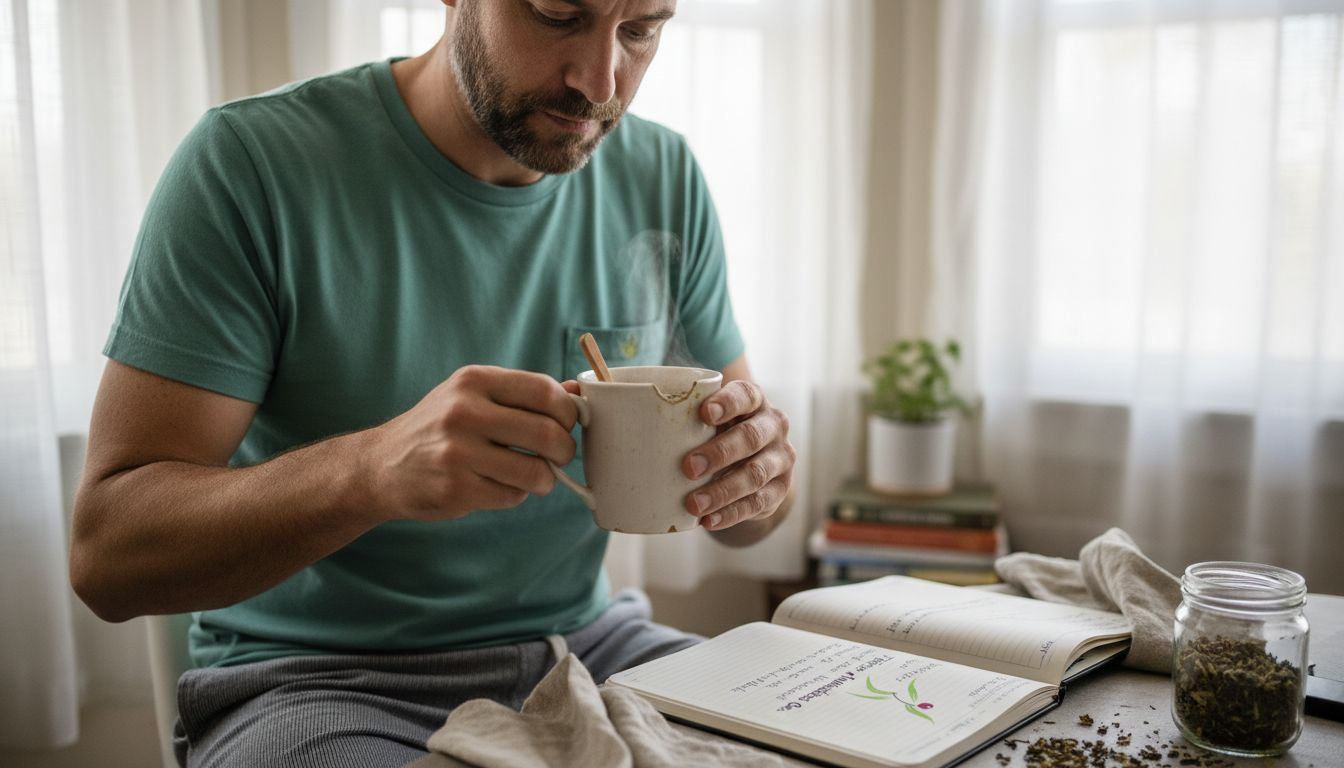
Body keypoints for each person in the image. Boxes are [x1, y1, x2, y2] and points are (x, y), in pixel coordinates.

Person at [69, 0, 794, 765]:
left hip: (590, 648)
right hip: (319, 683)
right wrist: (370, 470)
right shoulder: (251, 165)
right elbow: (107, 559)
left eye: (641, 29)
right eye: (556, 14)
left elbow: (749, 521)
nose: (600, 81)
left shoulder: (664, 175)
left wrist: (756, 476)